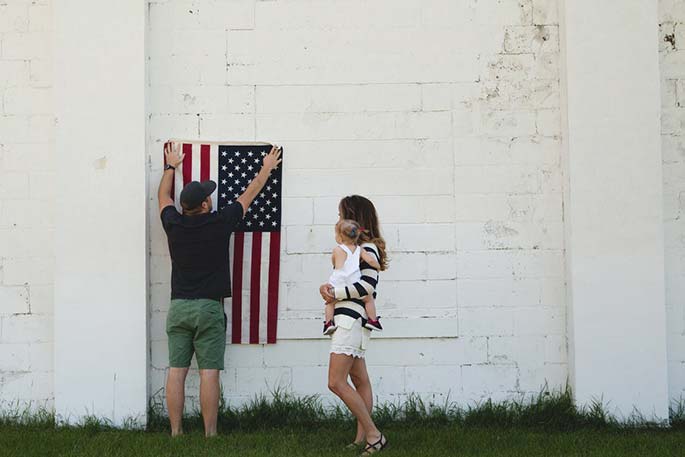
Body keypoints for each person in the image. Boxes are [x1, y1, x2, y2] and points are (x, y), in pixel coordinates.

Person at [158, 141, 282, 437]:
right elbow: (249, 194)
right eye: (208, 197)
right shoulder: (219, 222)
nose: (211, 199)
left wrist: (170, 167)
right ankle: (210, 434)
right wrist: (265, 169)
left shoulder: (173, 224)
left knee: (176, 371)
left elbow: (163, 196)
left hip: (179, 307)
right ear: (203, 205)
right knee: (208, 373)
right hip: (209, 308)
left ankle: (176, 433)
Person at [319, 195, 390, 455]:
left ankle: (374, 434)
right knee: (359, 380)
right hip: (352, 320)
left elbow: (368, 287)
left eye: (341, 216)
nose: (338, 221)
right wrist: (328, 289)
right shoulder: (354, 251)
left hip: (351, 320)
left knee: (335, 381)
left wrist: (334, 294)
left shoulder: (366, 249)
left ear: (353, 218)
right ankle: (362, 439)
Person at [323, 219, 383, 336]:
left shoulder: (337, 250)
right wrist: (378, 266)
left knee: (330, 303)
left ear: (340, 237)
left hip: (337, 283)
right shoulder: (360, 250)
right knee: (368, 299)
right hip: (353, 283)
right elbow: (370, 260)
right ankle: (373, 320)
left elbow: (334, 263)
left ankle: (328, 323)